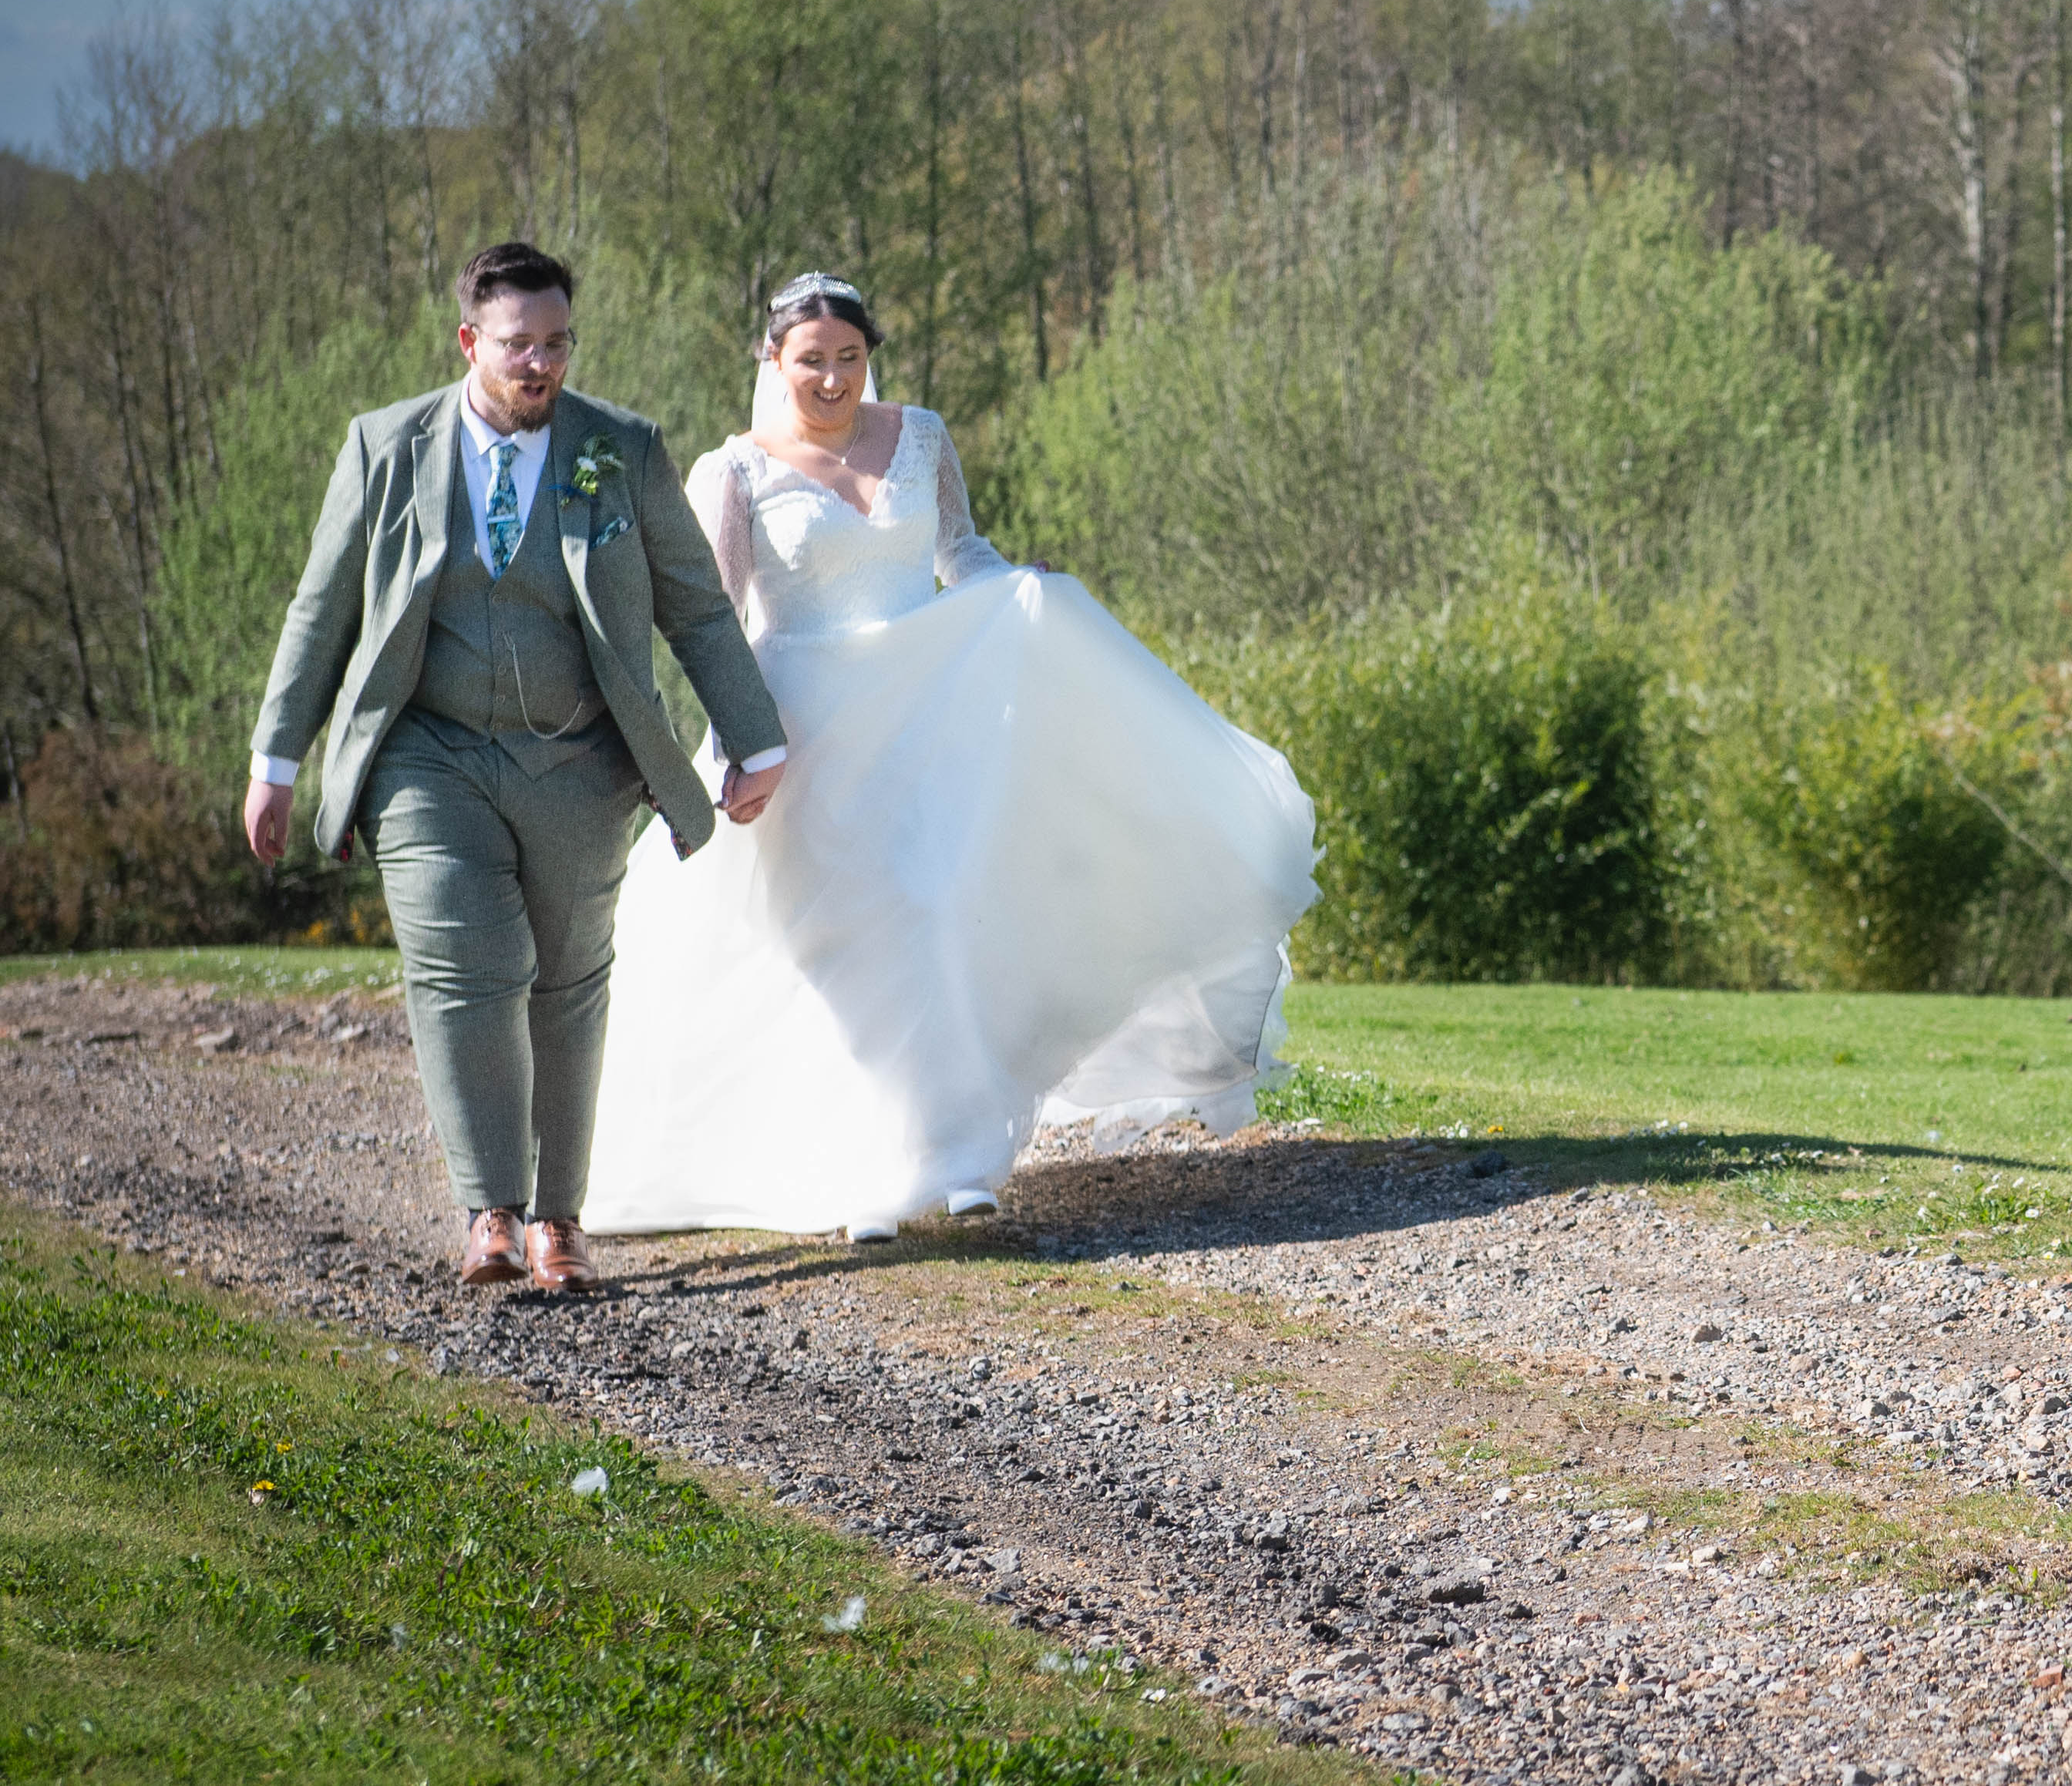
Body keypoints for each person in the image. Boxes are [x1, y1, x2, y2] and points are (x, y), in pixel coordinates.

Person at [580, 272, 1317, 1240]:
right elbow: (711, 620)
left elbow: (959, 554)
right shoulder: (734, 471)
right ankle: (862, 1174)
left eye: (849, 357)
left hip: (921, 712)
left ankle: (957, 1156)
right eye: (812, 360)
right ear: (773, 361)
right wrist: (728, 752)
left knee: (932, 914)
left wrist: (1022, 591)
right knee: (843, 953)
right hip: (800, 735)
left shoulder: (919, 436)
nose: (833, 378)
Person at [244, 241, 788, 1295]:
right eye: (517, 345)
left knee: (568, 979)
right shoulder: (386, 446)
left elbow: (693, 600)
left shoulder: (618, 447)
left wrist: (754, 738)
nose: (539, 364)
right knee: (464, 968)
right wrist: (278, 755)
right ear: (468, 342)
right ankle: (490, 1207)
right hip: (427, 751)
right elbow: (324, 609)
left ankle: (560, 1218)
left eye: (556, 344)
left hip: (580, 753)